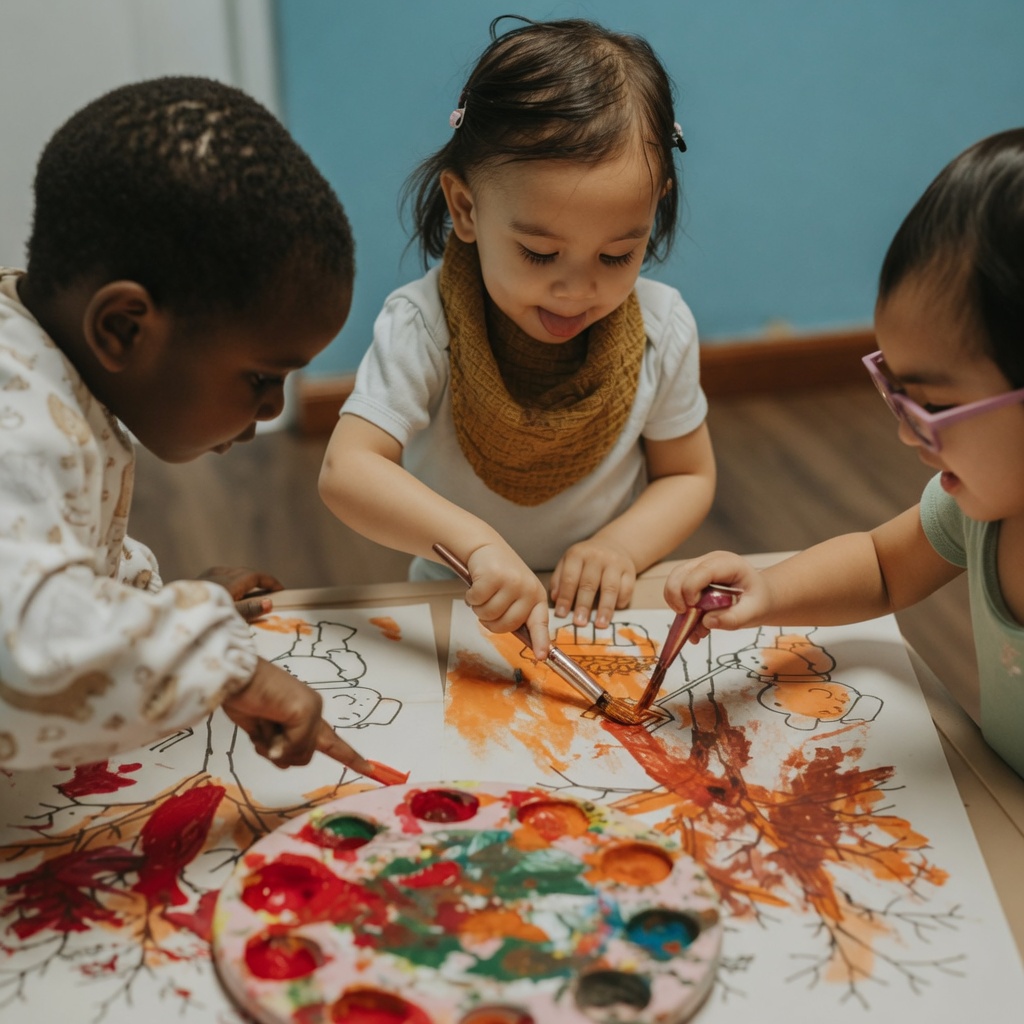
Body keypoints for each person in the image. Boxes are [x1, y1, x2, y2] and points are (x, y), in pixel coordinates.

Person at [0, 75, 375, 775]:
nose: (273, 411)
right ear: (123, 328)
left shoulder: (46, 368)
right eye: (261, 379)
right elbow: (25, 650)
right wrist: (220, 663)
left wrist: (163, 605)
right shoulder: (16, 424)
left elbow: (54, 550)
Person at [319, 16, 715, 658]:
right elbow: (348, 470)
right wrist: (475, 548)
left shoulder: (662, 328)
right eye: (539, 253)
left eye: (617, 255)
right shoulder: (424, 324)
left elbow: (688, 475)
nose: (576, 290)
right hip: (458, 601)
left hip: (599, 608)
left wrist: (620, 547)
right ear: (466, 207)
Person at [665, 128, 1024, 779]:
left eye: (934, 407)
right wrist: (769, 590)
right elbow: (884, 566)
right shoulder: (983, 510)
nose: (907, 434)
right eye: (897, 392)